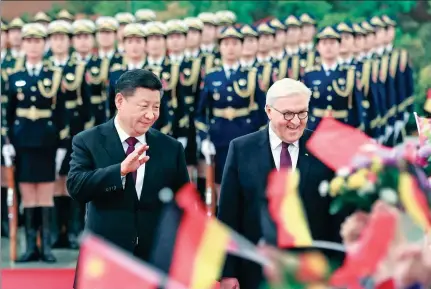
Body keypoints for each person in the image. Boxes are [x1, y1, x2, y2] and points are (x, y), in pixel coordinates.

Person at [67, 69, 189, 287]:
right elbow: (77, 187)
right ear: (120, 101)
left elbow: (184, 205)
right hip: (105, 260)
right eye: (144, 107)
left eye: (156, 107)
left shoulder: (170, 148)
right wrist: (120, 171)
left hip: (154, 262)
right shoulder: (88, 141)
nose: (151, 115)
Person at [217, 78, 344, 289]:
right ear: (269, 111)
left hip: (313, 272)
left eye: (302, 113)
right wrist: (227, 272)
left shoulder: (323, 149)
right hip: (257, 270)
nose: (295, 121)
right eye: (287, 114)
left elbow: (336, 216)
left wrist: (337, 270)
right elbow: (228, 216)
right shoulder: (242, 149)